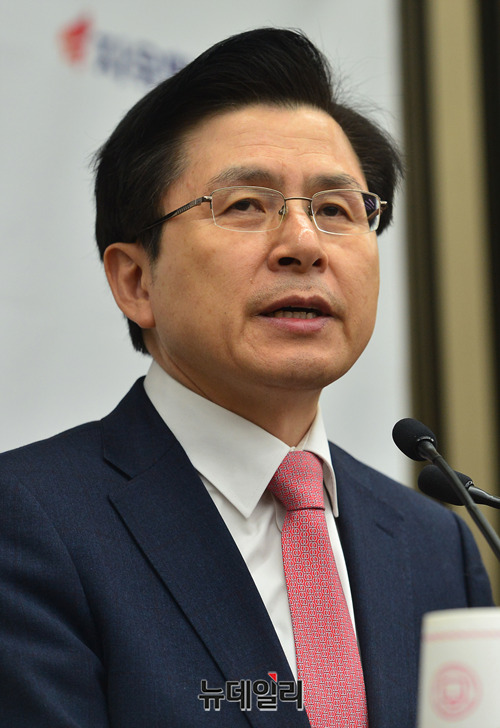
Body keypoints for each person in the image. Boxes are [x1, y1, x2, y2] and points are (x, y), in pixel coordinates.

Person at [0, 27, 493, 728]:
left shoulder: (432, 542)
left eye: (336, 210)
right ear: (136, 280)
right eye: (245, 206)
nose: (303, 245)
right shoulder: (29, 523)